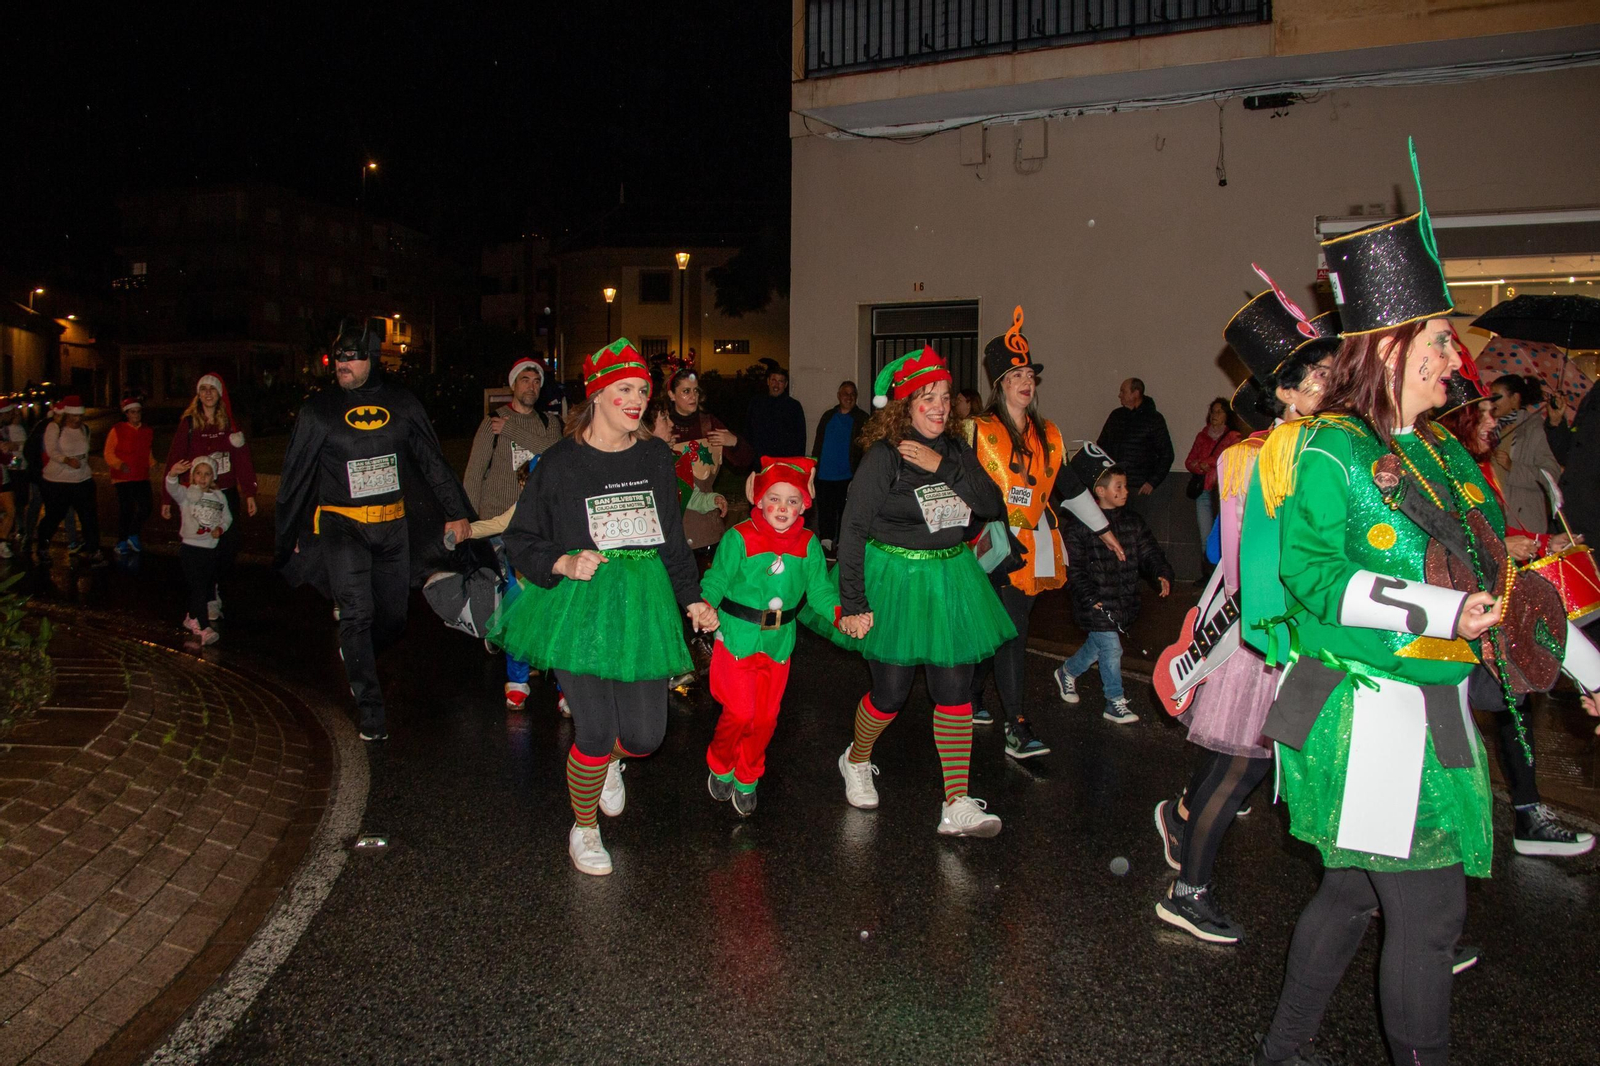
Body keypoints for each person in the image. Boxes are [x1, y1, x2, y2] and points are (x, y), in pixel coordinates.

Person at [1243, 144, 1600, 1066]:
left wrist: (1589, 667)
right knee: (1431, 914)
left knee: (1357, 896)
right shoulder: (1324, 449)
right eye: (1442, 338)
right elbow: (1312, 579)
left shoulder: (1446, 454)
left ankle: (1283, 1049)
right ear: (1393, 344)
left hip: (1433, 708)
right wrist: (1445, 615)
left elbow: (1505, 579)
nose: (1459, 357)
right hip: (1365, 712)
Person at [1153, 282, 1341, 946]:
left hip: (1305, 633)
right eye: (1315, 376)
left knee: (1235, 768)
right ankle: (1187, 890)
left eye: (1329, 373)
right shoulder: (1249, 458)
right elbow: (1245, 561)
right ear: (1283, 391)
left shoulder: (1326, 451)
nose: (1328, 384)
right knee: (1243, 769)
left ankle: (1181, 824)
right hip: (1267, 636)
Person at [487, 338, 718, 875]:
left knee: (644, 736)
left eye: (641, 390)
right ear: (597, 396)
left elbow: (671, 542)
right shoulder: (561, 463)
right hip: (578, 605)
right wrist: (563, 563)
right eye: (624, 390)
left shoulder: (655, 456)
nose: (636, 400)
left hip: (642, 603)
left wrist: (695, 600)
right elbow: (521, 537)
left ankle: (609, 762)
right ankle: (584, 827)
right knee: (591, 730)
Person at [832, 347, 1013, 838]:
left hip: (951, 581)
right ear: (902, 405)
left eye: (944, 396)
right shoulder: (884, 456)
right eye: (924, 397)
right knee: (889, 694)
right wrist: (853, 603)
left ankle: (956, 802)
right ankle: (857, 758)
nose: (937, 405)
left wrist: (944, 466)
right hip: (894, 582)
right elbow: (851, 530)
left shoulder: (953, 450)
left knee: (953, 691)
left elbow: (992, 505)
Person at [275, 317, 473, 742]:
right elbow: (295, 478)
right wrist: (290, 533)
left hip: (392, 527)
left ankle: (357, 653)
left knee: (394, 618)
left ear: (371, 359)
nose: (342, 363)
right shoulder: (319, 411)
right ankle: (370, 709)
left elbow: (432, 462)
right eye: (339, 356)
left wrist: (456, 511)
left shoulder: (402, 404)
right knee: (357, 613)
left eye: (353, 356)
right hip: (342, 528)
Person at [1437, 392, 1594, 857]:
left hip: (1487, 609)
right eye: (1481, 414)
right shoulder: (1438, 470)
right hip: (1449, 619)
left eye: (1491, 412)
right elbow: (1447, 540)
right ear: (1458, 421)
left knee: (1512, 697)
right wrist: (1507, 544)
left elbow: (1491, 531)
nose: (1492, 421)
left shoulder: (1478, 470)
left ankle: (1525, 813)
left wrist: (1543, 540)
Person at [965, 306, 1123, 758]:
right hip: (989, 549)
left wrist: (1104, 530)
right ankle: (1016, 724)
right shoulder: (977, 431)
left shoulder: (1048, 433)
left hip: (1033, 548)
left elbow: (1069, 487)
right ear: (999, 385)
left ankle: (976, 695)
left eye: (1029, 374)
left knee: (1004, 629)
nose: (1025, 381)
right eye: (1015, 375)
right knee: (1011, 631)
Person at [700, 456, 840, 815]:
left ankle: (748, 776)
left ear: (803, 506)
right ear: (759, 500)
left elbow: (821, 592)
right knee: (741, 711)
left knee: (764, 718)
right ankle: (720, 760)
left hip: (779, 644)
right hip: (736, 637)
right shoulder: (739, 536)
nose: (783, 507)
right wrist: (704, 604)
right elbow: (716, 579)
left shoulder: (808, 544)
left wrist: (841, 614)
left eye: (792, 501)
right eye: (774, 498)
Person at [1055, 454, 1173, 724]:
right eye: (1117, 486)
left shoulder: (1133, 522)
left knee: (1098, 647)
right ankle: (1114, 701)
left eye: (1125, 486)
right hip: (1095, 600)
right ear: (1099, 492)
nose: (1125, 491)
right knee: (1111, 648)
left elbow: (1149, 551)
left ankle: (1067, 672)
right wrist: (1088, 595)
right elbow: (1074, 567)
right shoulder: (1079, 527)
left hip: (1124, 599)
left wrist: (1161, 573)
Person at [163, 373, 259, 621]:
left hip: (224, 494)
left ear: (220, 394)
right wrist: (167, 498)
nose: (207, 393)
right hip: (197, 496)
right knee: (202, 549)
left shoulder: (229, 424)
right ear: (198, 394)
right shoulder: (189, 424)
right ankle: (206, 597)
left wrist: (249, 492)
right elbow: (175, 457)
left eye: (212, 390)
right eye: (203, 389)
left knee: (228, 547)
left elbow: (241, 458)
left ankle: (212, 586)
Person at [463, 356, 563, 524]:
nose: (531, 387)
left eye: (536, 382)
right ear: (513, 384)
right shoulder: (493, 421)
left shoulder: (549, 422)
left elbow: (554, 453)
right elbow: (474, 474)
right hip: (496, 520)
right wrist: (469, 519)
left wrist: (510, 430)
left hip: (537, 519)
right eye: (525, 380)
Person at [165, 457, 232, 645]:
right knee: (198, 588)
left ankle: (192, 616)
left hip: (210, 550)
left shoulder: (219, 497)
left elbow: (227, 517)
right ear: (193, 476)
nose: (202, 478)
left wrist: (221, 528)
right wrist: (172, 474)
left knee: (204, 586)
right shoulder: (188, 494)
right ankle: (202, 627)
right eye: (198, 473)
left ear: (213, 477)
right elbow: (173, 489)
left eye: (207, 474)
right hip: (190, 549)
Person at [1486, 373, 1562, 534]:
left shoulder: (1534, 429)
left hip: (1523, 522)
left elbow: (1551, 476)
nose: (1491, 402)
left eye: (1496, 397)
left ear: (1515, 398)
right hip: (1493, 518)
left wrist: (1512, 467)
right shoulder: (1488, 428)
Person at [35, 395, 102, 563]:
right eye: (73, 416)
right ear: (67, 415)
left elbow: (85, 453)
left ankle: (93, 550)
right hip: (59, 481)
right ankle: (42, 545)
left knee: (89, 516)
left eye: (79, 416)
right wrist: (66, 460)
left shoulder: (84, 429)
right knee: (54, 516)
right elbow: (51, 451)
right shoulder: (55, 428)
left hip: (82, 479)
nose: (77, 419)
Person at [1096, 377, 1174, 507]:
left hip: (1139, 487)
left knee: (1136, 524)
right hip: (1114, 485)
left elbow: (1166, 453)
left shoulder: (1154, 419)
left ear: (1136, 393)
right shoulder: (1116, 416)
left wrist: (1152, 482)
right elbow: (1102, 446)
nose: (1119, 395)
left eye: (1123, 391)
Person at [809, 380, 867, 550]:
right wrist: (813, 467)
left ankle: (843, 544)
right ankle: (826, 543)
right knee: (825, 511)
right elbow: (818, 444)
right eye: (845, 393)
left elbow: (867, 448)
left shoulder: (862, 418)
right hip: (824, 475)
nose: (848, 397)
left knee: (845, 512)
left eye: (852, 394)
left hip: (847, 476)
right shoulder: (828, 416)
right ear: (838, 396)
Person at [1184, 397, 1241, 568]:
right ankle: (1208, 572)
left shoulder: (1233, 437)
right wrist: (1200, 466)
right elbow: (1189, 461)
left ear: (1227, 415)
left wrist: (1205, 463)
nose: (1214, 415)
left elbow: (1225, 458)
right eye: (1212, 411)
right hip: (1203, 490)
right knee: (1205, 535)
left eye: (1219, 412)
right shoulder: (1202, 436)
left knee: (1223, 534)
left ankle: (1223, 573)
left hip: (1222, 492)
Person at [105, 395, 157, 554]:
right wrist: (119, 464)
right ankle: (121, 541)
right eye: (132, 412)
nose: (136, 415)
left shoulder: (147, 431)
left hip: (141, 475)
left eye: (138, 412)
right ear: (126, 414)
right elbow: (108, 452)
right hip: (123, 477)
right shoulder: (117, 429)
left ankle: (132, 534)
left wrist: (152, 463)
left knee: (146, 507)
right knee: (126, 509)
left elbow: (147, 451)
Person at [745, 364, 807, 462]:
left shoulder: (794, 406)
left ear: (785, 384)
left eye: (780, 381)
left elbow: (800, 438)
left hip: (784, 461)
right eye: (773, 380)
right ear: (768, 381)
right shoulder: (756, 403)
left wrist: (796, 462)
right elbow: (748, 430)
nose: (776, 385)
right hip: (760, 459)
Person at [0, 399, 24, 558]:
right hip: (1, 477)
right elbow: (4, 456)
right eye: (11, 413)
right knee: (10, 510)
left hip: (4, 475)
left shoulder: (4, 430)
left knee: (9, 510)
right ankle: (2, 543)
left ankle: (2, 542)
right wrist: (13, 455)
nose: (13, 415)